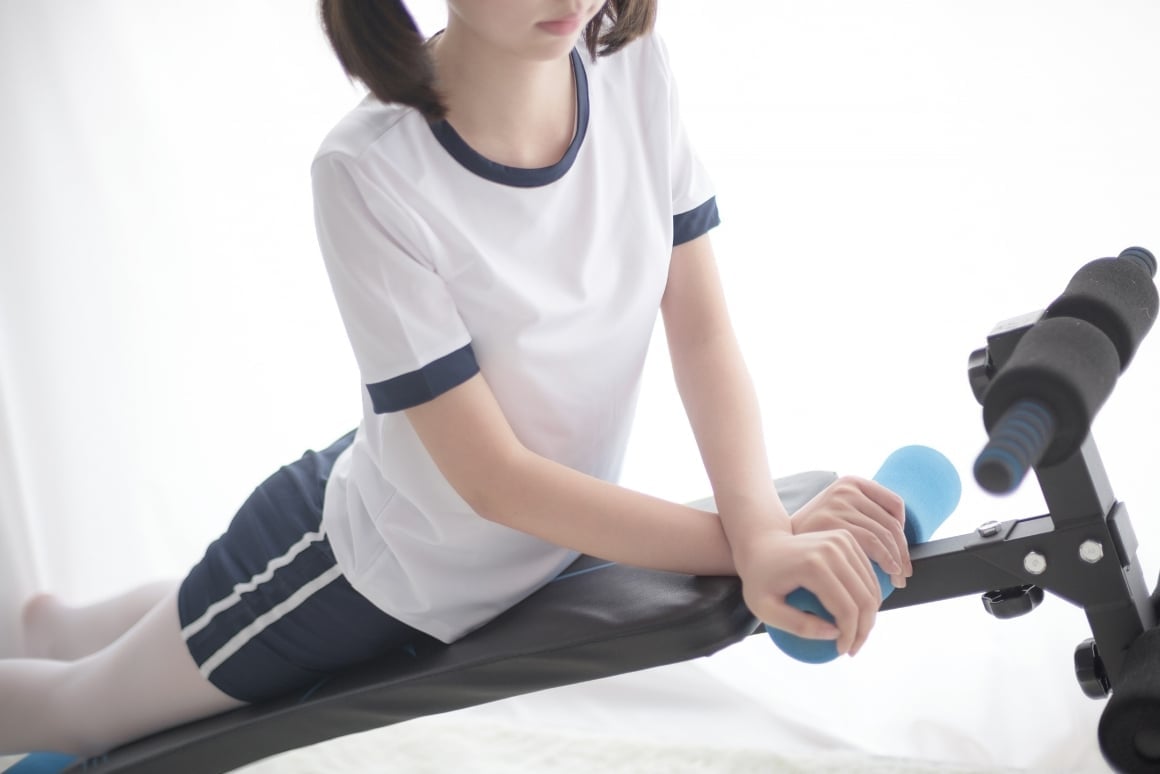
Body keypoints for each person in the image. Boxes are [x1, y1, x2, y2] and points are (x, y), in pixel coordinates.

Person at [1, 0, 913, 761]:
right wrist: (753, 547)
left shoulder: (633, 68)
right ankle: (50, 650)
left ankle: (45, 624)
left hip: (454, 505)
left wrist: (760, 530)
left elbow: (703, 332)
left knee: (132, 637)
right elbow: (493, 480)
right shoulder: (369, 169)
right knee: (78, 714)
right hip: (368, 572)